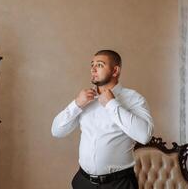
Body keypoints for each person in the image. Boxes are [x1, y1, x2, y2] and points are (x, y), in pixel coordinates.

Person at [51, 50, 154, 189]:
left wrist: (111, 104)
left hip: (118, 184)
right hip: (83, 182)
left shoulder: (133, 99)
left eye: (99, 65)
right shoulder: (85, 99)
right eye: (92, 64)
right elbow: (57, 131)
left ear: (115, 70)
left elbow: (144, 136)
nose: (93, 69)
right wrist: (76, 104)